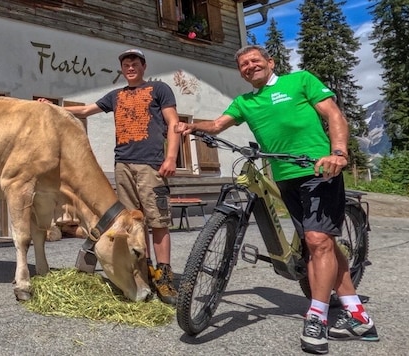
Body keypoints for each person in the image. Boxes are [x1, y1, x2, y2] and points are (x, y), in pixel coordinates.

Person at [176, 45, 379, 354]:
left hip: (319, 169)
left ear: (270, 63)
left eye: (255, 60)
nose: (249, 66)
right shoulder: (245, 102)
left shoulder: (300, 81)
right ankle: (359, 318)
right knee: (318, 244)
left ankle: (317, 318)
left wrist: (338, 151)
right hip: (284, 177)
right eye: (243, 64)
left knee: (316, 241)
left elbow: (334, 114)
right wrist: (191, 125)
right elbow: (217, 125)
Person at [39, 49, 181, 305]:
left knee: (158, 220)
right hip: (123, 165)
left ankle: (165, 274)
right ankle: (145, 268)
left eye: (134, 64)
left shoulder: (160, 90)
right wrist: (54, 107)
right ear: (122, 69)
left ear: (143, 66)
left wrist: (171, 158)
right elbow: (85, 110)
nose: (130, 68)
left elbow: (174, 124)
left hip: (151, 165)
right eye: (126, 65)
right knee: (132, 222)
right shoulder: (116, 96)